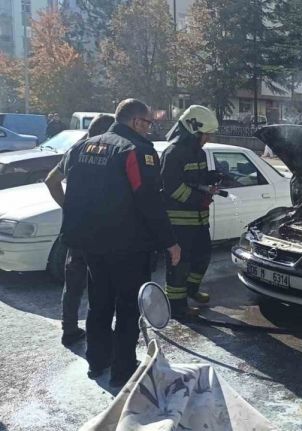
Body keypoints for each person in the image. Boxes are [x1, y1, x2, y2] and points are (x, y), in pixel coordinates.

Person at [60, 99, 180, 388]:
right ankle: (122, 371)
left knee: (98, 303)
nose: (150, 129)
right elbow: (149, 201)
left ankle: (97, 360)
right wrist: (170, 242)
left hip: (90, 243)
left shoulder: (83, 145)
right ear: (137, 122)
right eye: (148, 123)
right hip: (127, 246)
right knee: (127, 308)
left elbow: (69, 184)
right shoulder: (136, 151)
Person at [45, 114, 115, 347]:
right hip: (103, 230)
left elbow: (51, 181)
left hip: (76, 229)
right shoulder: (111, 152)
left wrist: (68, 206)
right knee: (103, 281)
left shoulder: (75, 151)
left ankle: (70, 329)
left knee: (73, 280)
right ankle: (101, 333)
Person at [161, 105, 220, 319]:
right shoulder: (173, 153)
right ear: (193, 131)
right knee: (179, 264)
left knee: (202, 256)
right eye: (206, 134)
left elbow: (197, 180)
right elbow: (171, 187)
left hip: (199, 219)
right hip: (179, 221)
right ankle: (177, 307)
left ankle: (191, 291)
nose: (208, 138)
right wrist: (199, 198)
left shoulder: (200, 153)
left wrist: (211, 178)